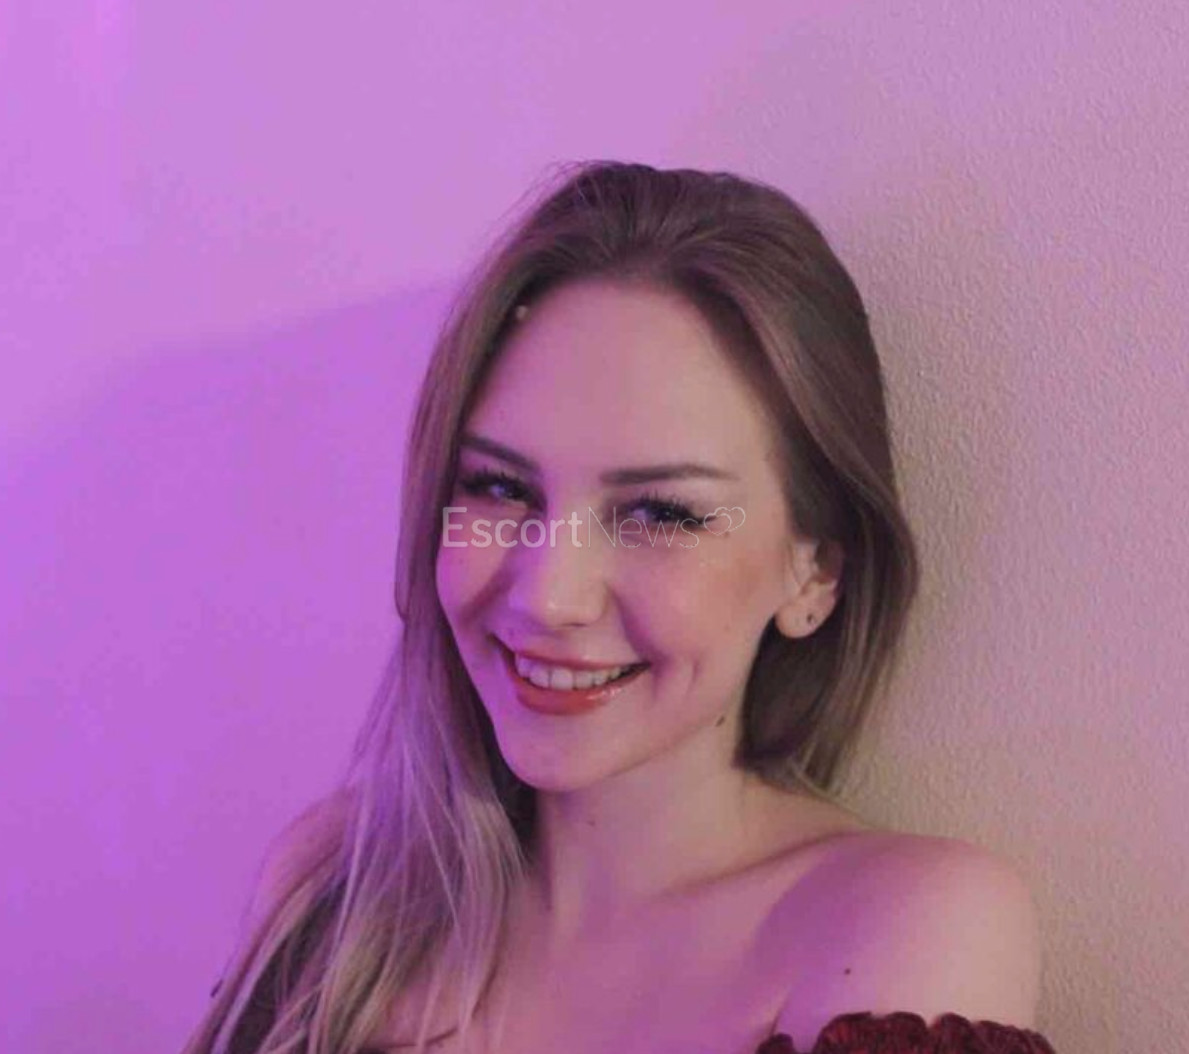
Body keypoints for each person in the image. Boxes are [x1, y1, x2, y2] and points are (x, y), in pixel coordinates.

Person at [182, 161, 1057, 1054]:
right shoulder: (334, 883)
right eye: (497, 487)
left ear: (814, 575)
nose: (549, 596)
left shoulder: (904, 924)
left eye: (660, 513)